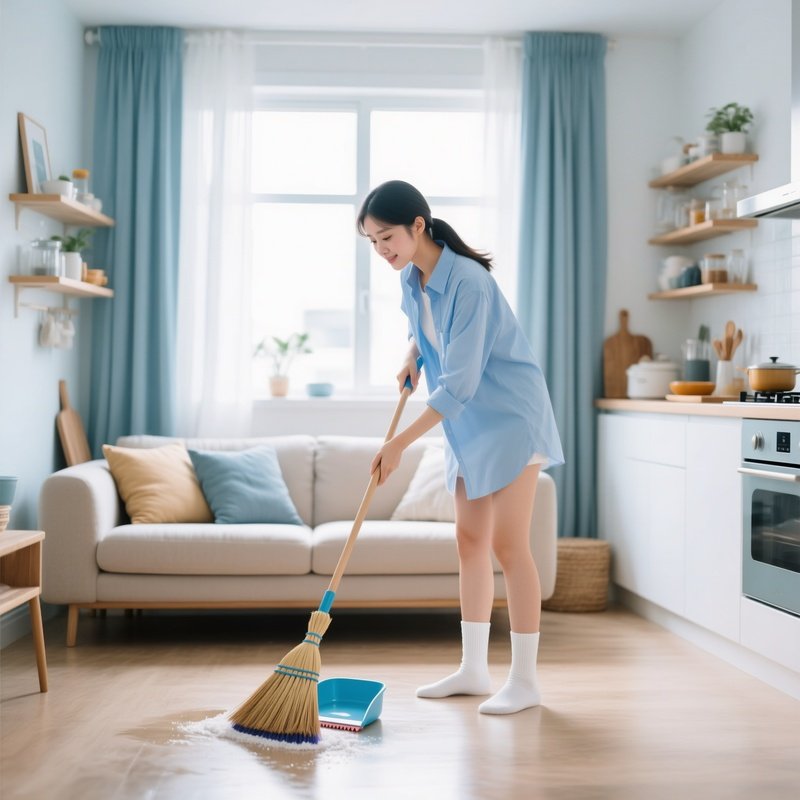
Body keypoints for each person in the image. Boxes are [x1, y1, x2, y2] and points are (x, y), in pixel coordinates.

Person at [357, 180, 564, 715]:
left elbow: (462, 383)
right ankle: (473, 669)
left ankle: (524, 680)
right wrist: (412, 355)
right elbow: (429, 331)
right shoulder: (412, 278)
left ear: (418, 226)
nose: (382, 251)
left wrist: (399, 443)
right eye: (373, 242)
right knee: (469, 539)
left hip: (510, 418)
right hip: (468, 422)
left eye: (387, 238)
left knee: (509, 546)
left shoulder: (470, 281)